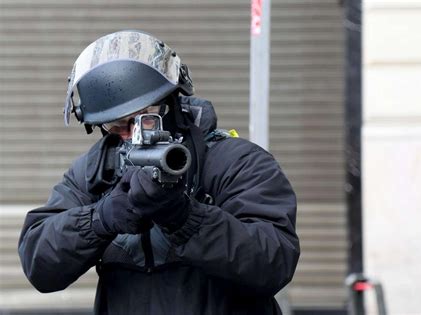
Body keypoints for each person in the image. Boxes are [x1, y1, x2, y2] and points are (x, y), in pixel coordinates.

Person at [18, 30, 300, 315]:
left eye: (144, 120)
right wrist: (99, 219)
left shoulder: (236, 162)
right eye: (116, 127)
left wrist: (185, 218)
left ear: (172, 103)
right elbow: (39, 262)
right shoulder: (95, 171)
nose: (131, 135)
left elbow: (273, 262)